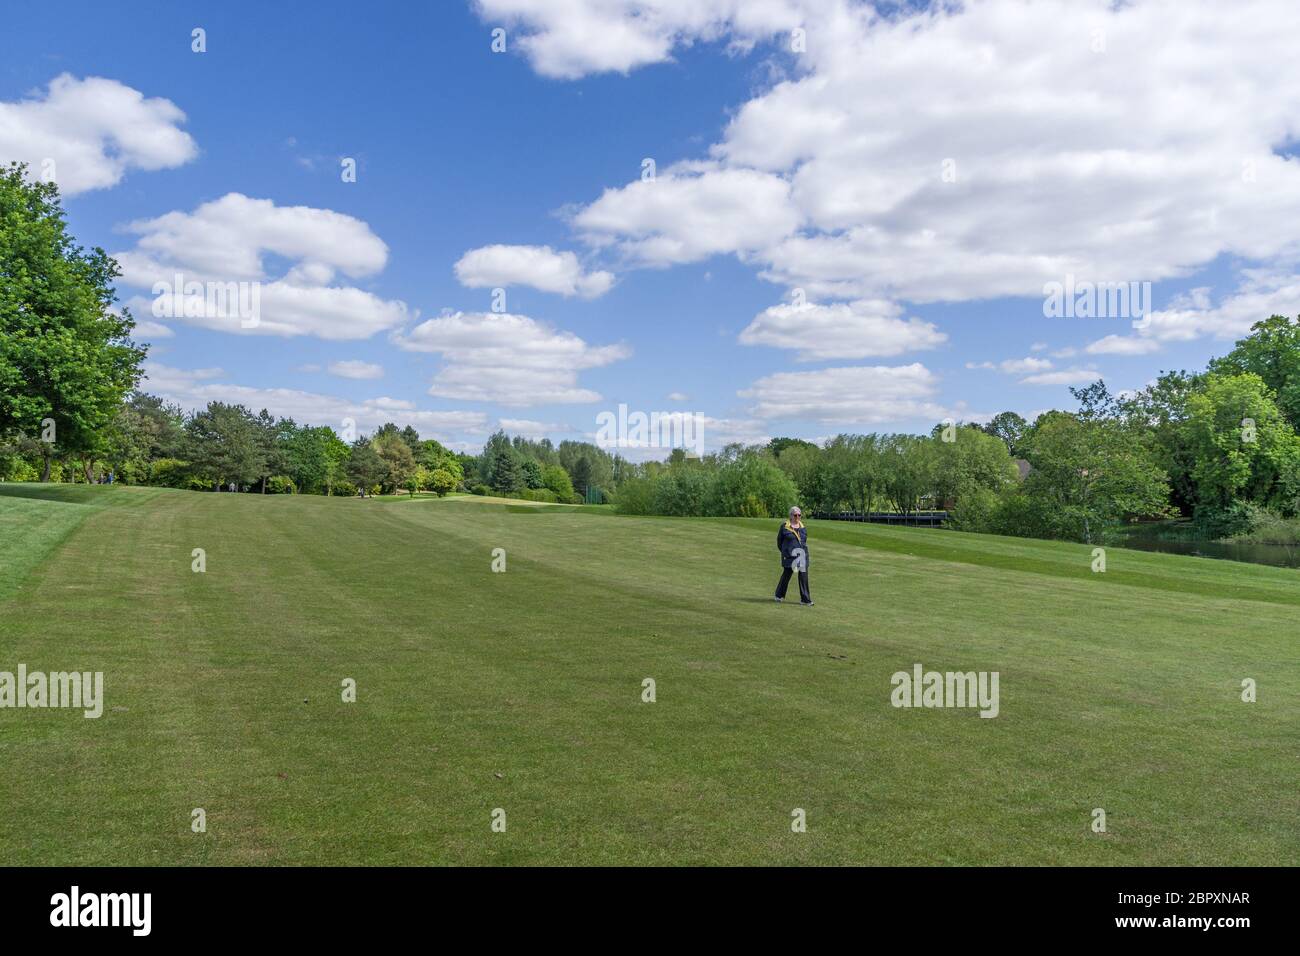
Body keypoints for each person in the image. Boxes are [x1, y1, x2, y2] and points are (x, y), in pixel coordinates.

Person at [774, 506, 813, 605]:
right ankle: (779, 595)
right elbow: (779, 542)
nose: (797, 517)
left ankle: (805, 599)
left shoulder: (803, 528)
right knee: (786, 575)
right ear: (791, 516)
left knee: (803, 577)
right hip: (790, 556)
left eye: (799, 515)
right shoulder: (784, 527)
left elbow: (804, 541)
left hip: (802, 555)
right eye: (795, 515)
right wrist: (785, 551)